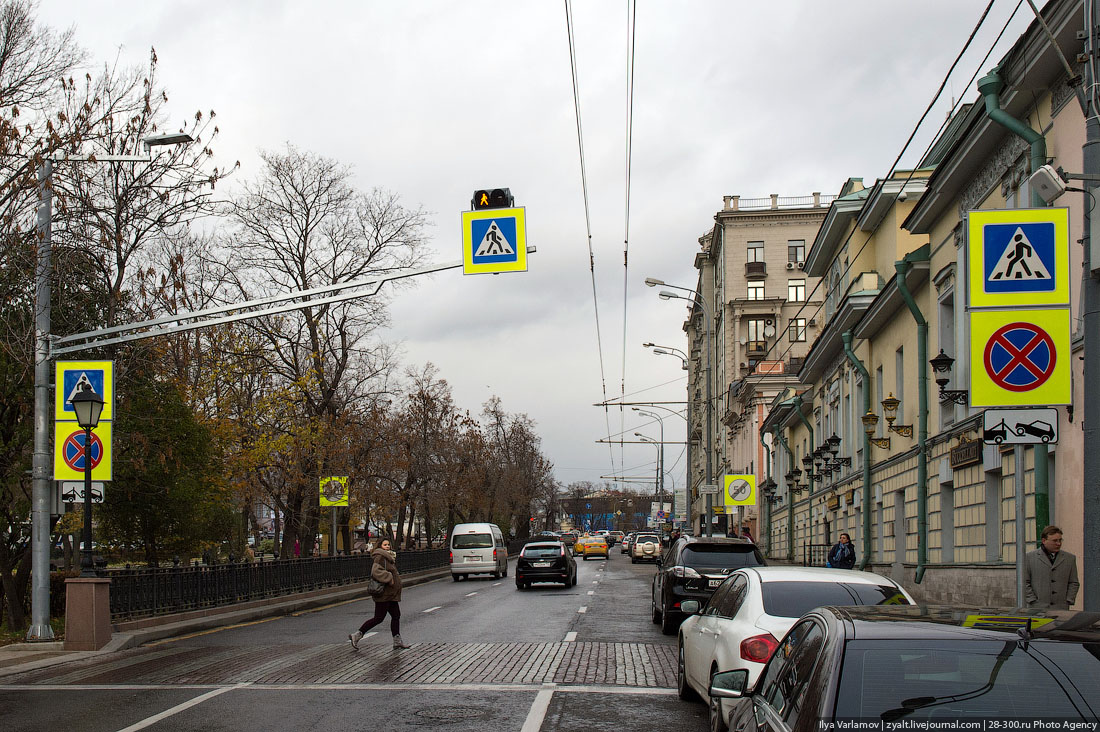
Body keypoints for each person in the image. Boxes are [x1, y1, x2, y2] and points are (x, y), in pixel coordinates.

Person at [349, 538, 411, 650]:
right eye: (385, 544)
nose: (387, 546)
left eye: (388, 544)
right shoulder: (380, 556)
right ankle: (357, 635)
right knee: (378, 618)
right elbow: (375, 571)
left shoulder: (388, 557)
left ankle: (397, 641)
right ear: (380, 546)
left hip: (390, 594)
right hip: (383, 594)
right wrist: (390, 578)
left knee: (396, 615)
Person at [1023, 525, 1080, 609]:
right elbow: (1024, 582)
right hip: (1038, 608)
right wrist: (1032, 600)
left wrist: (1068, 600)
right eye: (1055, 541)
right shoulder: (1029, 557)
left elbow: (1074, 582)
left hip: (1061, 607)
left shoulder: (1069, 558)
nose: (1058, 543)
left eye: (1060, 540)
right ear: (1044, 540)